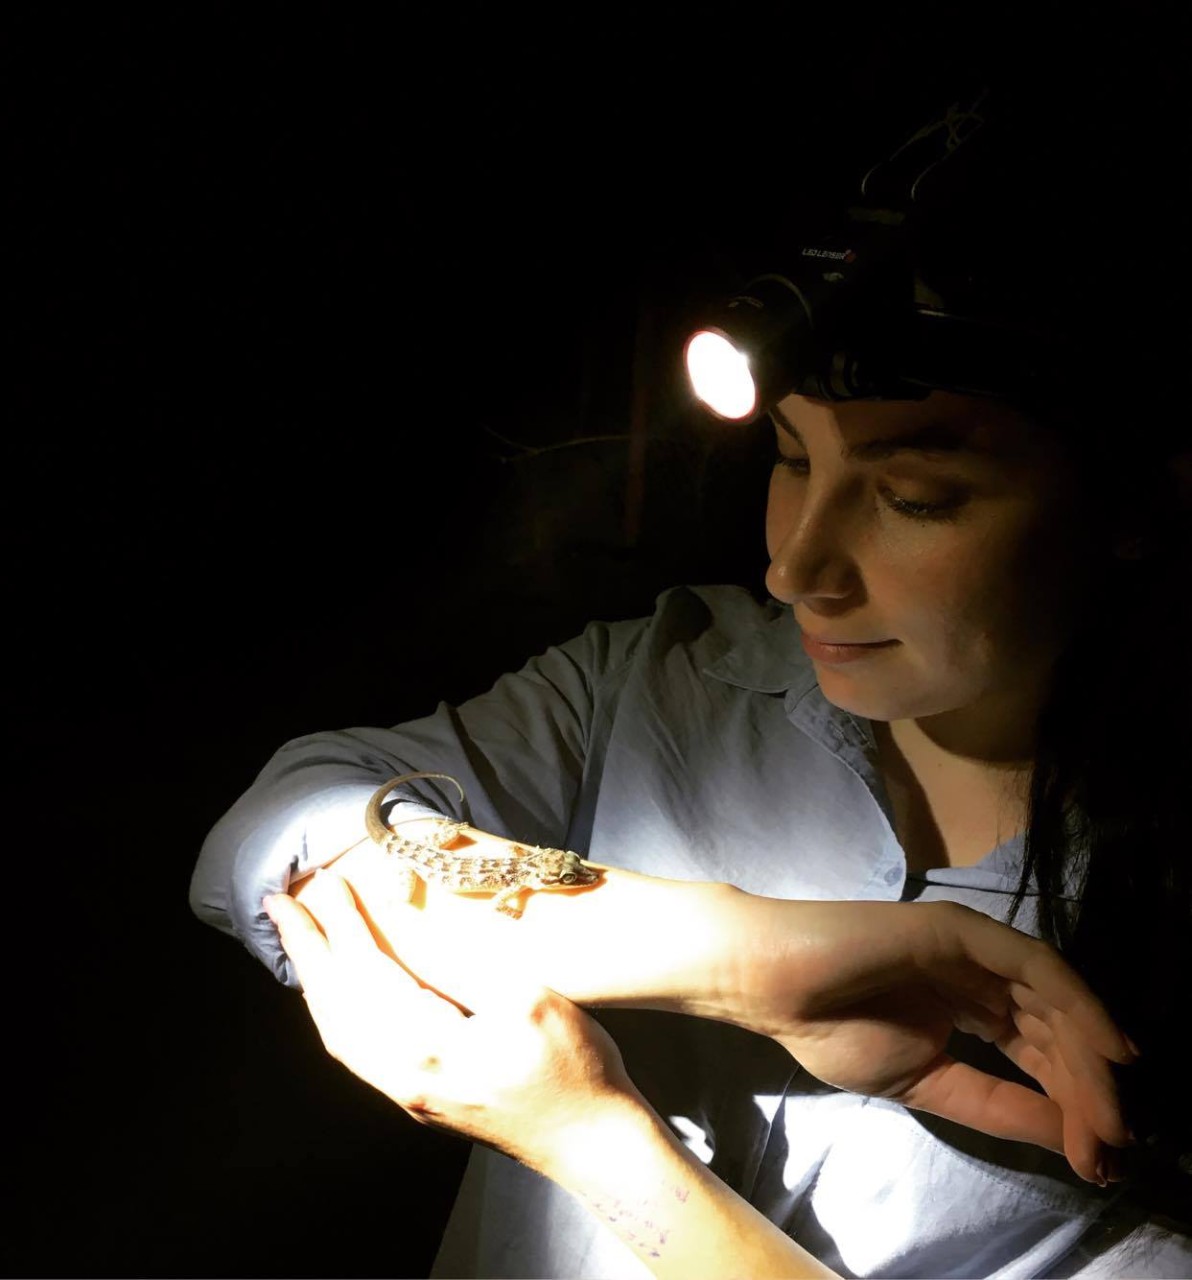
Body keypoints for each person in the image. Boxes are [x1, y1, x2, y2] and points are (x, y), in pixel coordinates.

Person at [189, 82, 1192, 1277]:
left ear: (1140, 500)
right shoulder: (671, 674)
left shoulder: (1151, 926)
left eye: (914, 496)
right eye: (787, 456)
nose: (794, 566)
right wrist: (740, 955)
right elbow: (283, 834)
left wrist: (595, 1140)